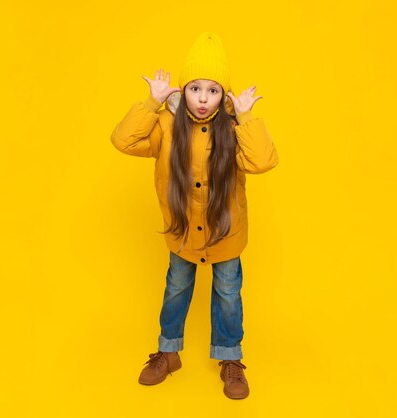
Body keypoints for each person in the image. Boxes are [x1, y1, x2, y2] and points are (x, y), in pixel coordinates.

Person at [110, 32, 278, 400]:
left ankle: (230, 360)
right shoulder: (166, 127)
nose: (203, 99)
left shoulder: (234, 130)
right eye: (195, 88)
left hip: (226, 231)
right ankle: (168, 353)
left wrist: (246, 115)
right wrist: (150, 103)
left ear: (224, 95)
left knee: (229, 293)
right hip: (183, 232)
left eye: (213, 90)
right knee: (177, 288)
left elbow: (264, 161)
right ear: (182, 90)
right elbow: (123, 141)